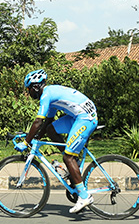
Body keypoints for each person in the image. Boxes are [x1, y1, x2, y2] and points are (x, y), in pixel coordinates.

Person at [20, 69, 99, 214]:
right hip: (80, 115)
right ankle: (72, 162)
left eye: (29, 89)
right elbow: (47, 121)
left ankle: (84, 196)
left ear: (36, 87)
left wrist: (26, 142)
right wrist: (37, 138)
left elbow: (38, 121)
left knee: (67, 157)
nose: (29, 93)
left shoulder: (46, 95)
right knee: (51, 130)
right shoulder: (50, 94)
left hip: (85, 118)